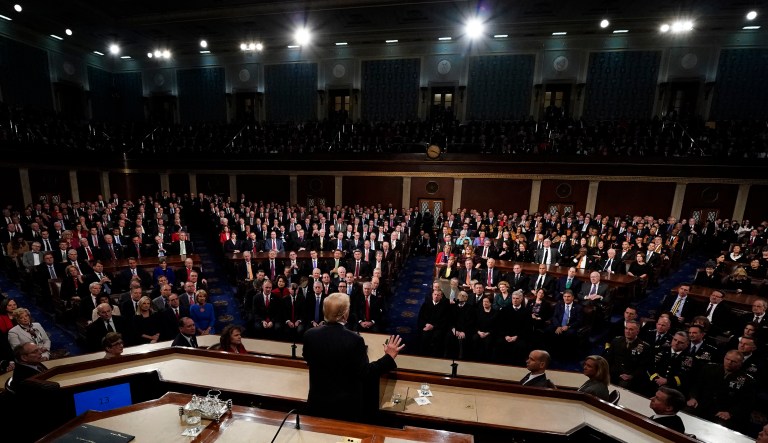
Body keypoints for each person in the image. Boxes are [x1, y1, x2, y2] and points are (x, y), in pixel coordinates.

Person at [302, 292, 404, 422]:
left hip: (317, 404)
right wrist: (389, 357)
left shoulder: (309, 335)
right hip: (345, 408)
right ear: (345, 314)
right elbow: (366, 373)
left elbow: (309, 359)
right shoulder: (354, 340)